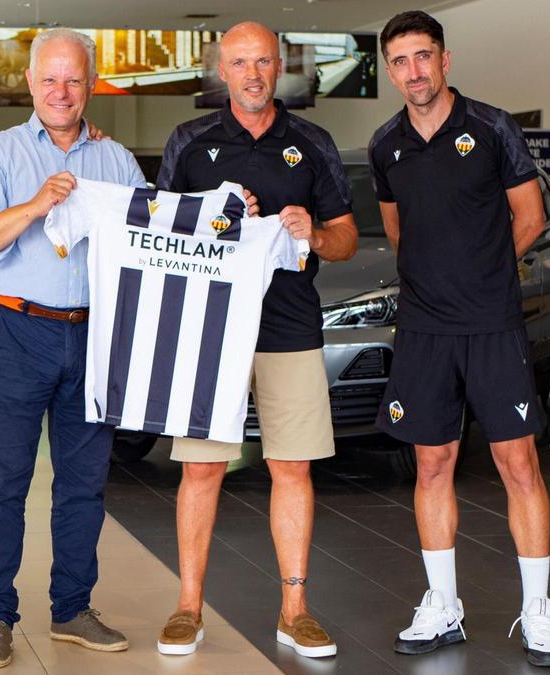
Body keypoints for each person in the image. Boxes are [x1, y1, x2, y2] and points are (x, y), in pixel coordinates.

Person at [368, 10, 550, 668]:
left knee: (518, 465)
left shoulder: (490, 127)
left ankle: (539, 612)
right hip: (425, 328)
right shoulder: (385, 143)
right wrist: (439, 277)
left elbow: (531, 214)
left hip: (491, 323)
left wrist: (481, 272)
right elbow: (399, 232)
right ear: (391, 70)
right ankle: (442, 605)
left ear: (445, 60)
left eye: (423, 56)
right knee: (432, 465)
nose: (414, 71)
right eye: (400, 61)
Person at [153, 21, 357, 659]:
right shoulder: (189, 141)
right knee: (202, 467)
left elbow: (345, 237)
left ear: (278, 67)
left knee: (291, 466)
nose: (251, 73)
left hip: (290, 325)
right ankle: (188, 607)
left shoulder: (312, 142)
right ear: (222, 69)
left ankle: (295, 610)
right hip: (210, 326)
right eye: (239, 62)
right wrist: (208, 216)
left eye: (262, 61)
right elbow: (159, 232)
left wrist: (313, 232)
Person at [0, 27, 146, 670]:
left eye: (75, 79)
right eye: (51, 78)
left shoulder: (115, 161)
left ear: (91, 85)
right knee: (1, 482)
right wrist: (34, 205)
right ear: (30, 83)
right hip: (14, 331)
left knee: (84, 483)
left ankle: (72, 609)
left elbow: (152, 235)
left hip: (94, 334)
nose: (62, 91)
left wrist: (227, 218)